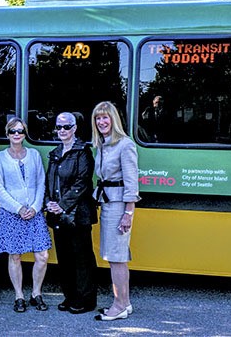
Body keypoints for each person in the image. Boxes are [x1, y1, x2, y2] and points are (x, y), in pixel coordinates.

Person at [0, 117, 51, 313]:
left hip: (34, 212)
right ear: (7, 134)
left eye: (20, 131)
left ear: (25, 134)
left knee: (42, 255)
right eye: (12, 131)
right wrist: (18, 208)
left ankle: (36, 293)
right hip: (11, 213)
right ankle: (19, 295)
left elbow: (41, 182)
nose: (16, 134)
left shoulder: (34, 155)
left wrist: (35, 207)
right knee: (15, 256)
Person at [91, 101, 140, 322]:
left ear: (114, 119)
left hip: (119, 206)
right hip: (108, 203)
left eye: (105, 117)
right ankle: (125, 302)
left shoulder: (125, 144)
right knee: (116, 257)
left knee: (116, 258)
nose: (101, 121)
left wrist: (128, 213)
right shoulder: (103, 144)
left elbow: (131, 182)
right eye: (98, 118)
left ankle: (118, 305)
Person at [45, 112, 98, 315]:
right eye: (59, 127)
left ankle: (86, 299)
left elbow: (82, 182)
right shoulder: (55, 152)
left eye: (66, 127)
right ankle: (69, 296)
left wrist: (62, 204)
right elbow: (50, 181)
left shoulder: (83, 152)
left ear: (75, 128)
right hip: (59, 215)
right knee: (64, 258)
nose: (62, 131)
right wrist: (49, 202)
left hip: (78, 215)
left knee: (82, 258)